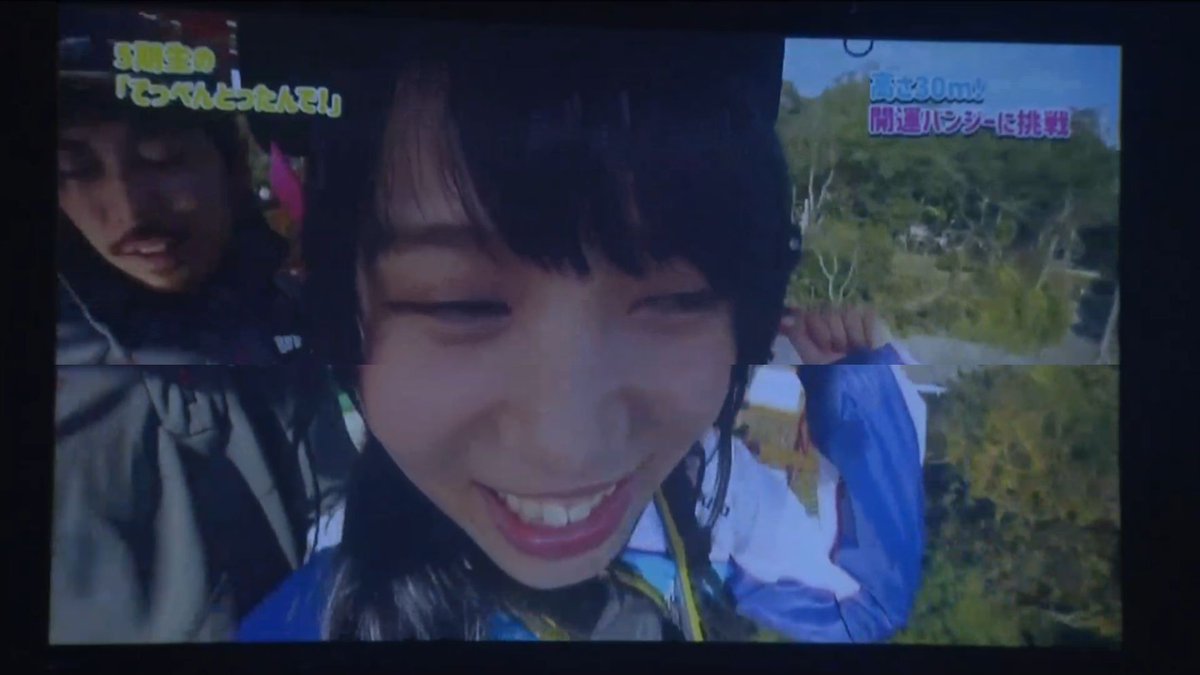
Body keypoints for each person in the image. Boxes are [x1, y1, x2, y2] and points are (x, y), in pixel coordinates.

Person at [236, 25, 924, 642]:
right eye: (461, 305)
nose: (566, 449)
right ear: (349, 315)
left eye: (677, 300)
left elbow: (857, 607)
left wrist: (858, 388)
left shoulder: (712, 506)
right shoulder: (313, 615)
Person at [50, 12, 357, 644]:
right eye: (76, 167)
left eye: (161, 156)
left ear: (231, 166)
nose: (130, 208)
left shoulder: (286, 318)